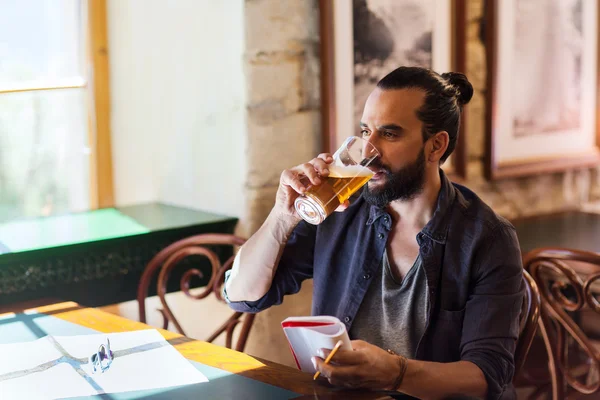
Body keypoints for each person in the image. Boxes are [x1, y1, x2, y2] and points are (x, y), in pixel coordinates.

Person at [224, 66, 524, 400]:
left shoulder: (488, 239)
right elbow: (243, 296)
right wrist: (283, 215)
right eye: (366, 131)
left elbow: (486, 376)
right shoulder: (341, 210)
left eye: (390, 134)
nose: (369, 150)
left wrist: (396, 374)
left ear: (435, 146)